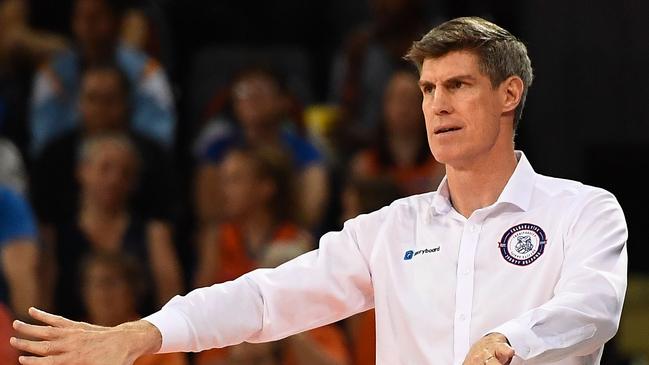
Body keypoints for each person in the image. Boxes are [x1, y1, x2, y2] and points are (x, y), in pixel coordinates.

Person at [11, 17, 628, 365]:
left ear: (509, 94)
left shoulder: (582, 210)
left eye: (459, 85)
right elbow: (265, 297)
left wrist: (507, 342)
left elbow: (595, 308)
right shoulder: (389, 231)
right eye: (427, 90)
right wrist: (143, 333)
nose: (436, 105)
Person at [44, 134, 182, 319]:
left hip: (141, 338)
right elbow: (43, 299)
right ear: (82, 170)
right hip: (71, 337)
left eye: (125, 172)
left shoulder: (153, 232)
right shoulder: (54, 235)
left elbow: (170, 298)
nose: (115, 179)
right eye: (105, 168)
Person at [30, 63, 177, 229]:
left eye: (109, 100)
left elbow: (162, 217)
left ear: (127, 105)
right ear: (78, 103)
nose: (100, 108)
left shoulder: (152, 155)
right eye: (92, 98)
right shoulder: (54, 156)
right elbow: (43, 219)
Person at [29, 0, 175, 155]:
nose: (87, 26)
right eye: (81, 17)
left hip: (133, 168)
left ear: (117, 21)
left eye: (96, 17)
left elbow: (158, 142)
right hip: (69, 169)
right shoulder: (52, 75)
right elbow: (44, 146)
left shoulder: (147, 74)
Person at [193, 67, 328, 230]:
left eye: (261, 91)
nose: (251, 97)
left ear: (283, 101)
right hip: (232, 240)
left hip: (288, 241)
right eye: (242, 91)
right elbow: (209, 213)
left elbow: (310, 214)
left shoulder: (306, 153)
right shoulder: (217, 150)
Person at [349, 66, 445, 196]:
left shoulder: (441, 166)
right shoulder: (365, 166)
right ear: (384, 105)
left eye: (410, 99)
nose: (403, 108)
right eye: (397, 99)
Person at [80, 252, 188, 365]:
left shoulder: (161, 342)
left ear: (133, 289)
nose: (102, 291)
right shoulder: (71, 339)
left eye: (110, 282)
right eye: (94, 283)